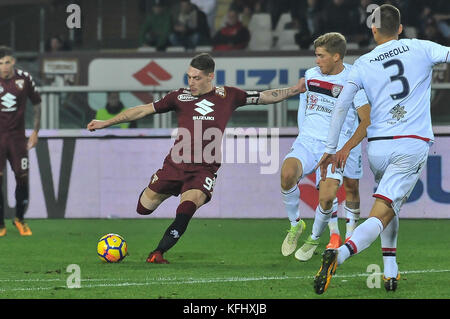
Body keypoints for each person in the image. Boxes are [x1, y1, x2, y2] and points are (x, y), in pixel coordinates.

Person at [87, 53, 305, 263]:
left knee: (187, 209)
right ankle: (169, 191)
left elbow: (264, 96)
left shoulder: (229, 95)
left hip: (203, 171)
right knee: (143, 208)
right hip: (174, 166)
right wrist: (106, 123)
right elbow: (143, 110)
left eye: (197, 78)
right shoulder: (178, 96)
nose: (191, 82)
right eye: (189, 77)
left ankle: (159, 251)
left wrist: (295, 89)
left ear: (210, 76)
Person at [314, 4, 450, 294]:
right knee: (382, 211)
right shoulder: (420, 47)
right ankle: (341, 253)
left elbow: (341, 105)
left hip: (377, 147)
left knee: (390, 206)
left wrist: (331, 147)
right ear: (400, 28)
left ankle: (390, 271)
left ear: (373, 30)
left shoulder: (363, 63)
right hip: (410, 143)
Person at [280, 32, 370, 261]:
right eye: (316, 55)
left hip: (335, 146)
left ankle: (314, 238)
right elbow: (304, 104)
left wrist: (346, 147)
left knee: (327, 198)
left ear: (337, 56)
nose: (316, 61)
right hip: (308, 142)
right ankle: (295, 225)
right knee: (287, 174)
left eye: (321, 56)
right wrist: (302, 134)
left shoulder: (353, 81)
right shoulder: (310, 76)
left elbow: (366, 119)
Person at [0, 46, 41, 237]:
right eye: (0, 63)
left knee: (22, 179)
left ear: (13, 62)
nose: (4, 66)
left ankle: (19, 219)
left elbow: (37, 102)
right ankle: (0, 225)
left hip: (17, 139)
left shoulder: (24, 78)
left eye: (7, 62)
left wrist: (35, 131)